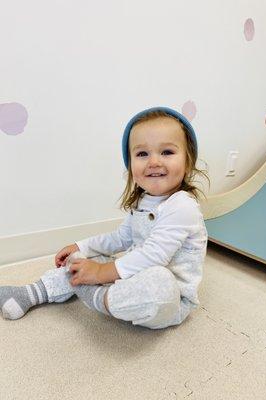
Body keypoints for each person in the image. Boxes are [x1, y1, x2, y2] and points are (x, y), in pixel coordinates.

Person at [0, 106, 209, 330]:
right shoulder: (142, 202)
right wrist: (81, 246)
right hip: (133, 274)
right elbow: (120, 238)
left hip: (171, 297)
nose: (154, 162)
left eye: (167, 152)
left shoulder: (182, 205)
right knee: (86, 258)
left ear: (188, 161)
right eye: (142, 154)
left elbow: (154, 255)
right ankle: (33, 292)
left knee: (158, 282)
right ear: (130, 166)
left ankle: (94, 294)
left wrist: (101, 272)